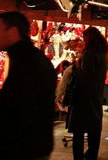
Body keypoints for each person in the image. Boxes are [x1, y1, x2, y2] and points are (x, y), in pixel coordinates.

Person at [0, 12, 57, 160]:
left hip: (24, 147)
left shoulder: (25, 62)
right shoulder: (31, 58)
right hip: (35, 144)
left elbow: (17, 107)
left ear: (12, 31)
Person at [67, 27, 108, 160]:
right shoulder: (102, 52)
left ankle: (78, 156)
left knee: (79, 130)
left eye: (84, 38)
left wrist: (76, 66)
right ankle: (92, 154)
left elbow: (86, 75)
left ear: (89, 38)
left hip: (83, 96)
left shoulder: (90, 53)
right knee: (94, 128)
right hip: (96, 94)